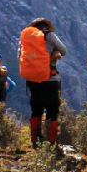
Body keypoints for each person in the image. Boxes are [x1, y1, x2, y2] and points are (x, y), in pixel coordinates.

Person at [19, 18, 68, 147]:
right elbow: (63, 50)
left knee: (36, 110)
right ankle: (50, 142)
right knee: (52, 110)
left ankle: (35, 140)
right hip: (50, 79)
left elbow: (20, 56)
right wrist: (54, 52)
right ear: (46, 27)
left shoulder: (26, 39)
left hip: (33, 80)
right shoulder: (49, 35)